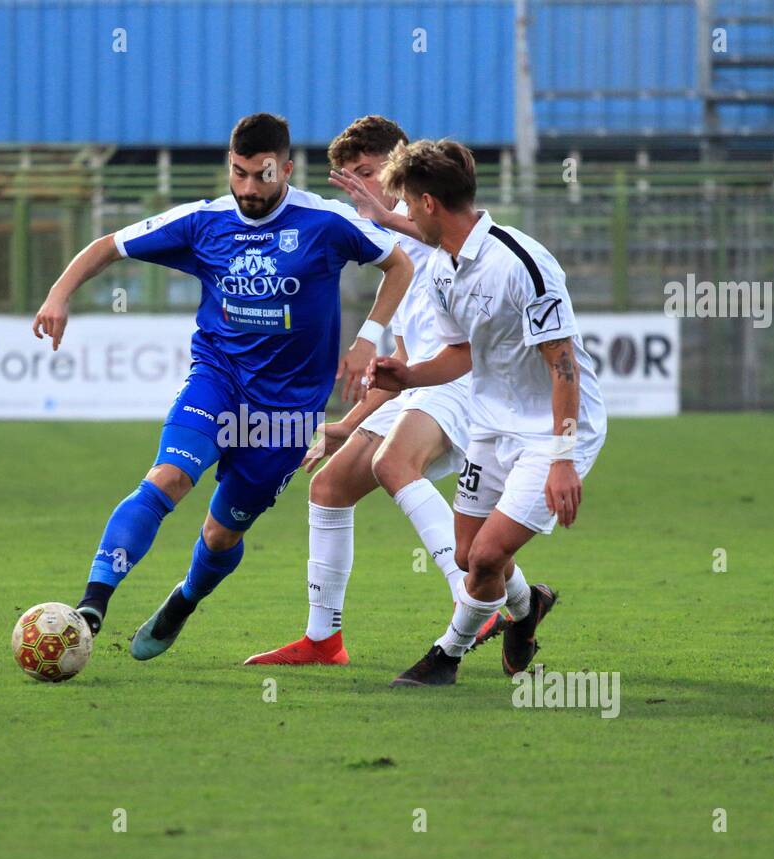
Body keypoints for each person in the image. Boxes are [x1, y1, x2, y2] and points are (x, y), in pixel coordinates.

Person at [32, 113, 413, 661]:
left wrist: (367, 341)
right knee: (167, 478)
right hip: (218, 379)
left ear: (285, 168)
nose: (248, 189)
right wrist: (58, 293)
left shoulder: (325, 222)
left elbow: (398, 264)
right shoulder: (202, 221)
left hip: (286, 411)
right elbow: (109, 246)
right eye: (238, 174)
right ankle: (93, 604)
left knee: (220, 535)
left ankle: (185, 599)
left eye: (262, 176)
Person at [367, 139, 607, 686]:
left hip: (553, 428)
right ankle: (529, 610)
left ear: (428, 203)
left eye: (405, 204)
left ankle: (444, 657)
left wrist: (563, 460)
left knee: (483, 560)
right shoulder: (443, 270)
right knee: (472, 552)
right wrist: (407, 376)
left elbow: (563, 364)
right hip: (490, 424)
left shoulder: (522, 263)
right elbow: (461, 353)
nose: (402, 217)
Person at [243, 116, 471, 667]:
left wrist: (382, 213)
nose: (360, 190)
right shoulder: (387, 244)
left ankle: (474, 600)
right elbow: (403, 368)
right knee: (329, 488)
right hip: (424, 384)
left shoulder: (435, 227)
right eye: (349, 179)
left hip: (464, 380)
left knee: (396, 466)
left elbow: (441, 249)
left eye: (369, 174)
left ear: (401, 167)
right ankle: (324, 640)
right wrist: (346, 424)